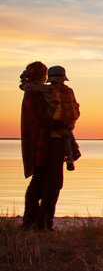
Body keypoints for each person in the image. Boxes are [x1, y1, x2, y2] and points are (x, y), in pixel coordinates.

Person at [19, 61, 64, 230]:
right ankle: (37, 222)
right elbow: (43, 120)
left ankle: (39, 222)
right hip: (42, 144)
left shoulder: (43, 92)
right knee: (44, 184)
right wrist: (62, 121)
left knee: (45, 184)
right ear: (43, 76)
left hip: (48, 143)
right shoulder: (33, 93)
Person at [20, 65, 81, 171]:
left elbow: (29, 87)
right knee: (68, 137)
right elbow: (76, 110)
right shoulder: (69, 91)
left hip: (51, 134)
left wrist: (24, 82)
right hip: (59, 132)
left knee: (50, 179)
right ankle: (71, 158)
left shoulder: (44, 89)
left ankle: (71, 158)